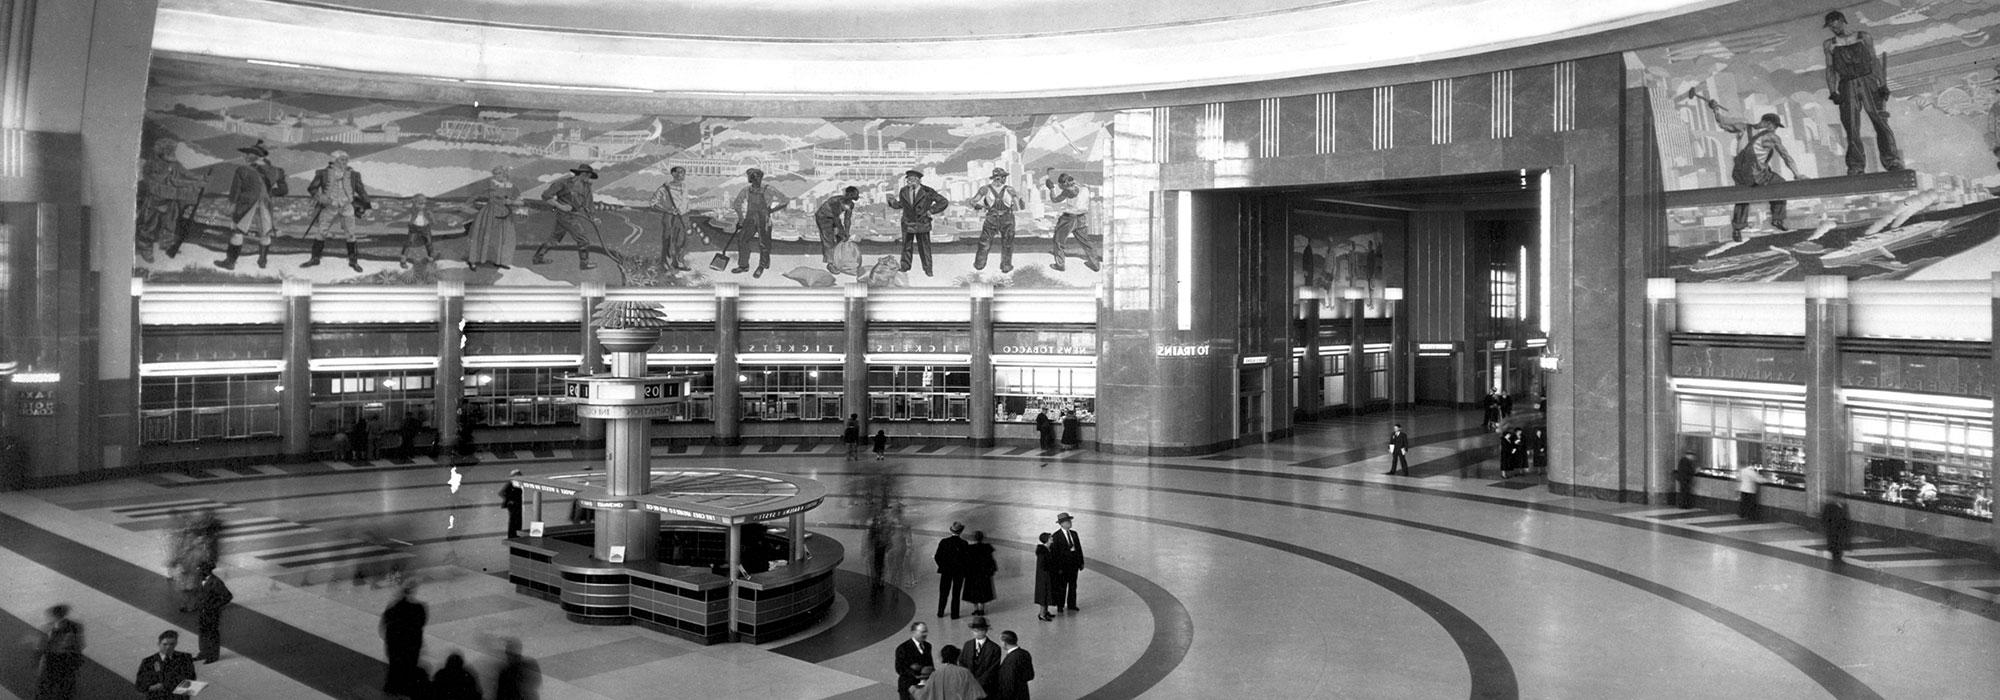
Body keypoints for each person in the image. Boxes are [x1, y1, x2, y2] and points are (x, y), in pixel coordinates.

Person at [1699, 95, 1802, 243]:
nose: (1774, 129)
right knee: (1780, 185)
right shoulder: (1771, 137)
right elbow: (1786, 156)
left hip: (1741, 173)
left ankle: (1737, 229)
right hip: (1757, 174)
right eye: (1774, 126)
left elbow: (1722, 122)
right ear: (1766, 123)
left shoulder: (1743, 127)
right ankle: (1777, 219)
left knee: (1742, 197)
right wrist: (1797, 174)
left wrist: (1715, 109)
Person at [1823, 11, 1902, 176]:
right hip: (1847, 85)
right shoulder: (1829, 44)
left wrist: (1883, 84)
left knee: (1880, 121)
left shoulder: (1863, 36)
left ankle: (1892, 161)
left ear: (1843, 21)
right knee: (1851, 127)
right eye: (1830, 26)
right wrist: (1833, 90)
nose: (1834, 28)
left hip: (1868, 82)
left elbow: (1874, 60)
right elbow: (1830, 69)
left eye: (1835, 23)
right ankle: (1856, 166)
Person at [216, 140, 286, 270]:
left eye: (248, 154)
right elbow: (283, 191)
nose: (245, 156)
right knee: (265, 233)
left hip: (246, 203)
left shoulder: (242, 170)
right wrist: (267, 193)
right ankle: (263, 260)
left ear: (255, 156)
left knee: (238, 232)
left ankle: (230, 262)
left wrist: (231, 206)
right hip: (265, 203)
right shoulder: (277, 171)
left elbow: (235, 191)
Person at [301, 150, 373, 272]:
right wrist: (321, 197)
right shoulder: (322, 173)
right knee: (322, 232)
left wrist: (368, 206)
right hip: (329, 207)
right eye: (341, 159)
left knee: (350, 234)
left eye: (346, 159)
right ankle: (315, 258)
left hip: (347, 206)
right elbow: (312, 188)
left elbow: (361, 191)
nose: (344, 162)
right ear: (334, 160)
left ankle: (353, 261)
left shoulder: (354, 175)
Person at [138, 138, 206, 262]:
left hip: (170, 201)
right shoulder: (152, 166)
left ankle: (166, 244)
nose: (173, 153)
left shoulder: (173, 163)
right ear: (162, 151)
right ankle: (145, 248)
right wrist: (194, 183)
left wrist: (198, 178)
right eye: (170, 150)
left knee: (170, 223)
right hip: (155, 201)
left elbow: (183, 172)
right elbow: (169, 182)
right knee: (150, 225)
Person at [533, 164, 600, 270]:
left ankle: (538, 257)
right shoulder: (564, 183)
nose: (589, 179)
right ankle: (584, 264)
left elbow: (589, 204)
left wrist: (593, 217)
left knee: (555, 238)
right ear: (582, 174)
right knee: (583, 239)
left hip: (573, 214)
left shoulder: (586, 186)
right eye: (588, 176)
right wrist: (561, 206)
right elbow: (545, 196)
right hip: (562, 214)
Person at [728, 167, 790, 277]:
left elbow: (785, 200)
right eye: (752, 177)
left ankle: (762, 265)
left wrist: (772, 210)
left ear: (760, 178)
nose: (753, 179)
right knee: (742, 239)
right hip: (750, 219)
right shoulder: (746, 190)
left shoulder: (769, 189)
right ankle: (743, 265)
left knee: (764, 243)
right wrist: (741, 219)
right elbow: (737, 204)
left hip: (764, 219)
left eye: (755, 177)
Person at [887, 169, 950, 276]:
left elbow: (943, 201)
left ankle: (928, 269)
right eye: (908, 180)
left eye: (911, 180)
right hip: (907, 223)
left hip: (922, 223)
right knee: (906, 246)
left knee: (924, 248)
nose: (908, 182)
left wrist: (931, 211)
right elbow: (900, 205)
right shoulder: (903, 191)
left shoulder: (928, 191)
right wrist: (891, 201)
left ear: (917, 180)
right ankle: (905, 267)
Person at [1041, 171, 1100, 273]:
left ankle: (1060, 265)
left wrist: (1051, 188)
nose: (1060, 187)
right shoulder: (1084, 188)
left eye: (1061, 185)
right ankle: (1095, 264)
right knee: (1086, 242)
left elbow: (1055, 200)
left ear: (1065, 184)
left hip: (1069, 219)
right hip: (1081, 217)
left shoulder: (1068, 190)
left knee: (1058, 241)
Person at [466, 165, 522, 270]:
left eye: (499, 173)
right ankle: (473, 260)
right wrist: (466, 204)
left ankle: (499, 260)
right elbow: (477, 194)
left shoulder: (512, 187)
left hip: (505, 214)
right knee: (482, 235)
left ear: (505, 173)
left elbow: (520, 201)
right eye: (495, 173)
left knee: (502, 237)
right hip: (489, 213)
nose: (496, 176)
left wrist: (512, 202)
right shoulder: (491, 184)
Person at [380, 580, 429, 696]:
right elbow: (422, 622)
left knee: (395, 667)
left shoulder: (393, 608)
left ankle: (392, 688)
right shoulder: (419, 608)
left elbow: (384, 624)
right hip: (412, 645)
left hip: (395, 645)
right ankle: (405, 688)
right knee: (409, 667)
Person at [970, 167, 1024, 272]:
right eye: (1003, 177)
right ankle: (1004, 266)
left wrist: (980, 206)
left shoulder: (987, 189)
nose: (1004, 179)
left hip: (996, 218)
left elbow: (973, 201)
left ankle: (980, 265)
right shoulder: (1007, 189)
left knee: (987, 243)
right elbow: (1018, 207)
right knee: (1004, 244)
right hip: (1003, 218)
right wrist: (979, 206)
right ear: (998, 178)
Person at [33, 604, 85, 700]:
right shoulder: (76, 626)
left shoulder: (47, 628)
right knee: (66, 689)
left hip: (52, 663)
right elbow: (80, 645)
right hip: (68, 663)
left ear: (54, 615)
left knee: (45, 688)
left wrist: (38, 663)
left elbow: (40, 647)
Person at [650, 165, 694, 271]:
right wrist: (667, 210)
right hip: (669, 217)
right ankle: (666, 264)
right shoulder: (664, 188)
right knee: (668, 240)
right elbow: (653, 203)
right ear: (673, 174)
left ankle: (678, 261)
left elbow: (685, 201)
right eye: (679, 172)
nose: (681, 175)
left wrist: (686, 211)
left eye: (683, 173)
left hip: (683, 217)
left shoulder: (684, 186)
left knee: (683, 240)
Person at [134, 630, 197, 700]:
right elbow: (139, 685)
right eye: (165, 644)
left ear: (176, 644)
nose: (168, 647)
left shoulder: (185, 658)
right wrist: (153, 687)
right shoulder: (148, 662)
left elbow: (191, 678)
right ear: (158, 643)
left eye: (172, 644)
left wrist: (166, 685)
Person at [916, 644, 987, 700]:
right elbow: (977, 695)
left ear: (943, 657)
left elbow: (924, 694)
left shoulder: (935, 674)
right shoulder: (965, 672)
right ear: (957, 657)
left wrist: (912, 689)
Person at [815, 186, 861, 270]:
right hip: (823, 217)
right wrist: (842, 231)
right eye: (855, 194)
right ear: (849, 194)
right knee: (828, 240)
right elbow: (836, 219)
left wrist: (846, 232)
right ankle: (830, 263)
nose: (857, 195)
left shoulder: (851, 204)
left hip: (833, 218)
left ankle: (839, 260)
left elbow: (847, 219)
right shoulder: (835, 201)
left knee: (841, 238)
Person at [192, 565, 231, 663]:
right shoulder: (201, 580)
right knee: (202, 632)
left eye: (200, 570)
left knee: (212, 633)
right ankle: (204, 652)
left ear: (206, 570)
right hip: (202, 611)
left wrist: (215, 606)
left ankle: (213, 655)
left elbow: (228, 596)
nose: (198, 572)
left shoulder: (216, 582)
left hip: (212, 612)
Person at [1047, 512, 1082, 614]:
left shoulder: (1074, 534)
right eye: (1067, 522)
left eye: (1069, 521)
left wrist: (1081, 562)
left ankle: (1072, 604)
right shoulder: (1056, 536)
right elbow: (1054, 554)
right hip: (1063, 567)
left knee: (1073, 585)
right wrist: (1058, 568)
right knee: (1062, 586)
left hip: (1073, 565)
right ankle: (1060, 605)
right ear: (1061, 524)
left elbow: (1079, 549)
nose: (1069, 523)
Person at [934, 522, 970, 619]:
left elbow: (937, 557)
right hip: (959, 572)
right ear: (961, 531)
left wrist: (942, 566)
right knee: (956, 593)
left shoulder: (944, 542)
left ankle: (940, 612)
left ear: (951, 530)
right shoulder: (964, 543)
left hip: (946, 571)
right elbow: (967, 560)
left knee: (943, 593)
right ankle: (955, 614)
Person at [894, 621, 936, 700]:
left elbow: (930, 663)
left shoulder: (928, 646)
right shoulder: (903, 648)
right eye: (922, 632)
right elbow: (899, 668)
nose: (925, 634)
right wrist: (915, 673)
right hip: (908, 686)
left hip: (924, 686)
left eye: (926, 631)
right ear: (913, 632)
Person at [961, 616, 1002, 695]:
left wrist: (979, 683)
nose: (976, 632)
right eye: (974, 630)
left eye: (979, 630)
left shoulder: (995, 648)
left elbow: (993, 669)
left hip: (987, 688)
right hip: (969, 686)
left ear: (985, 631)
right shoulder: (967, 645)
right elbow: (962, 662)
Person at [397, 195, 438, 268]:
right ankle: (403, 261)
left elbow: (431, 215)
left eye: (424, 203)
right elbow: (404, 213)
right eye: (420, 203)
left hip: (425, 228)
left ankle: (431, 260)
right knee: (409, 243)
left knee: (429, 243)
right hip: (414, 228)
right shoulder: (413, 210)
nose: (423, 205)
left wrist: (434, 221)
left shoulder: (426, 210)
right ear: (415, 203)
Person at [993, 630, 1035, 700]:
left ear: (1004, 643)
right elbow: (1030, 675)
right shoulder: (1025, 653)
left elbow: (1008, 683)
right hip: (1023, 694)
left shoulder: (1010, 660)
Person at [1032, 532, 1055, 622]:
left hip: (1046, 576)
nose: (1052, 539)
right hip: (1044, 577)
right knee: (1044, 595)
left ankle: (1045, 611)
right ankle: (1042, 614)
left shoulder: (1047, 549)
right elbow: (1043, 565)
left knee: (1047, 594)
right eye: (1050, 538)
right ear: (1046, 540)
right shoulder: (1043, 552)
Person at [500, 469, 525, 537]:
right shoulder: (511, 483)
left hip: (517, 505)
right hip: (513, 505)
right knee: (513, 520)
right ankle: (512, 535)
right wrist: (510, 500)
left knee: (517, 520)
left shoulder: (517, 484)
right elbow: (502, 493)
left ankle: (516, 533)